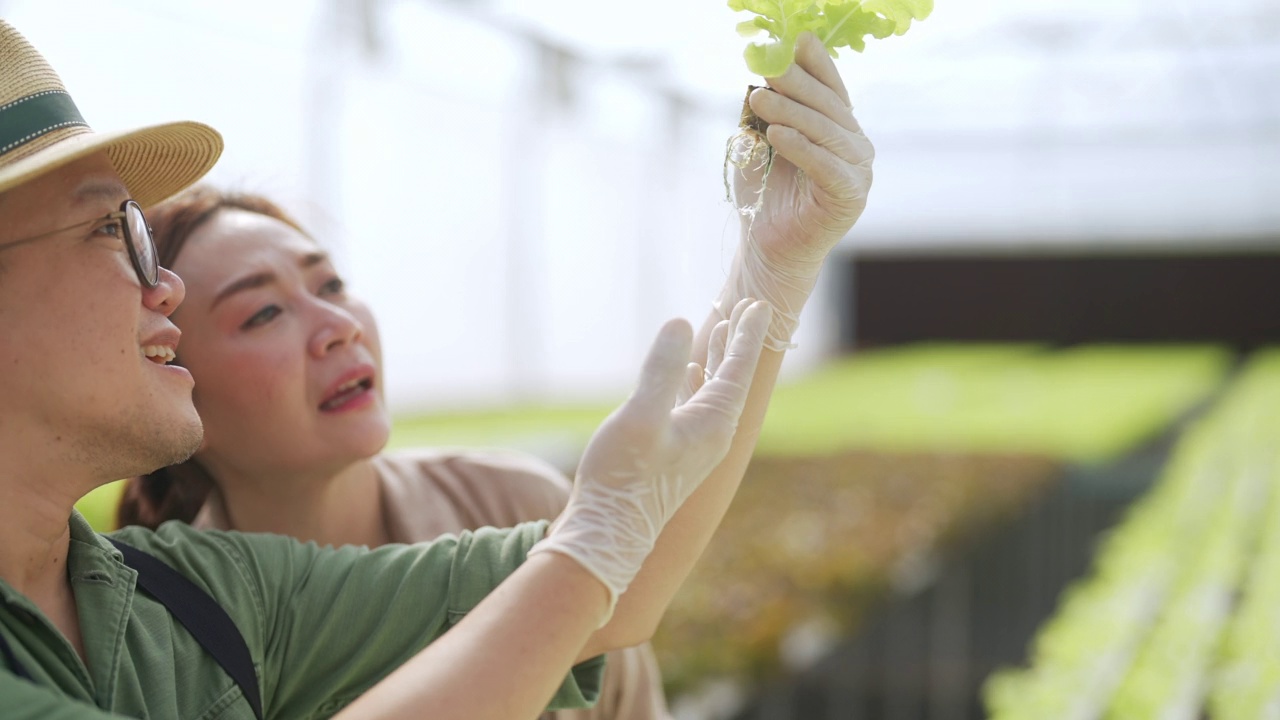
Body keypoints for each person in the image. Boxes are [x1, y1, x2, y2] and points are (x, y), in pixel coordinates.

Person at [0, 12, 873, 719]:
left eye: (331, 282)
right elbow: (591, 578)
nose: (163, 288)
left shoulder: (198, 595)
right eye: (112, 232)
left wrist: (776, 267)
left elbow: (622, 591)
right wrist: (587, 553)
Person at [113, 186, 673, 720]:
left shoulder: (517, 506)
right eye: (264, 313)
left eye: (330, 285)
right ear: (174, 386)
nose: (340, 326)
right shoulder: (174, 637)